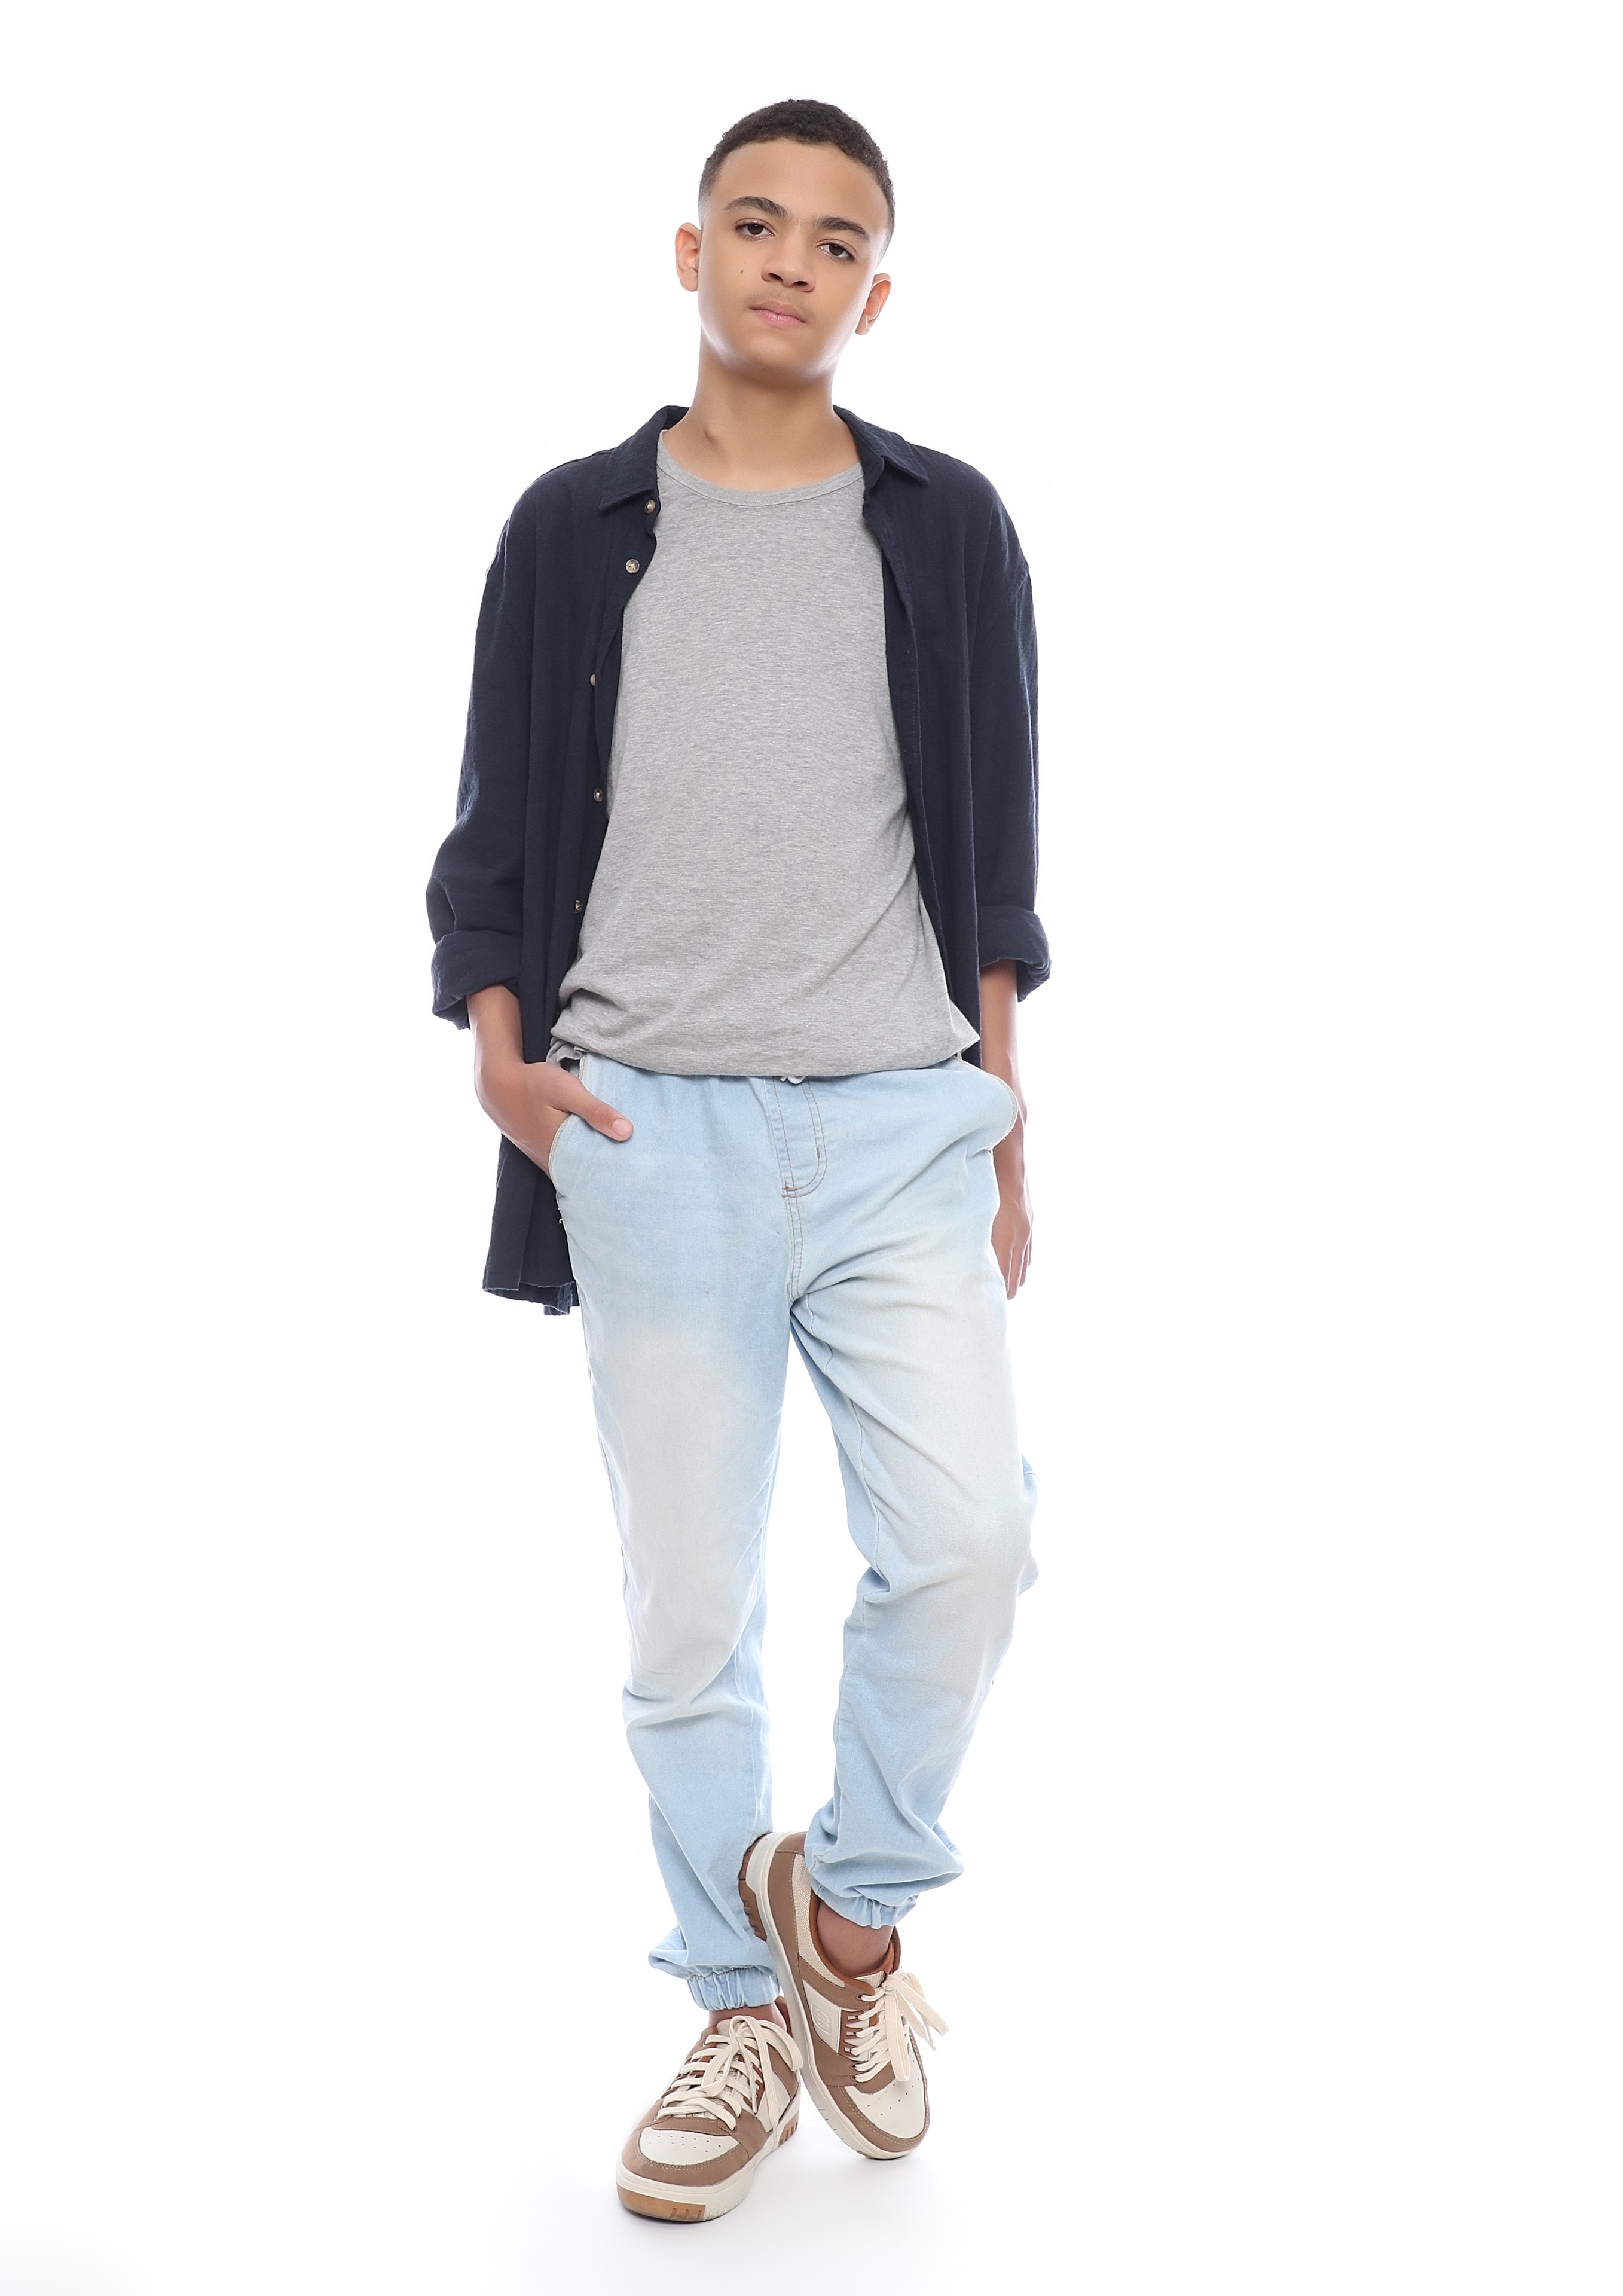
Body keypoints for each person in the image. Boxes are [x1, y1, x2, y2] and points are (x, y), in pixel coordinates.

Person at [427, 97, 1047, 2224]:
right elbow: (496, 822)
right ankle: (732, 2003)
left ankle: (844, 1925)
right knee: (687, 1612)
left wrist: (1004, 1119)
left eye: (836, 238)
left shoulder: (946, 526)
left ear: (878, 287)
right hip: (647, 1119)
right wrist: (504, 1068)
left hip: (895, 1116)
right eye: (755, 223)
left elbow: (996, 849)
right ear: (689, 253)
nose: (792, 261)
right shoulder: (569, 527)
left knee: (968, 1544)